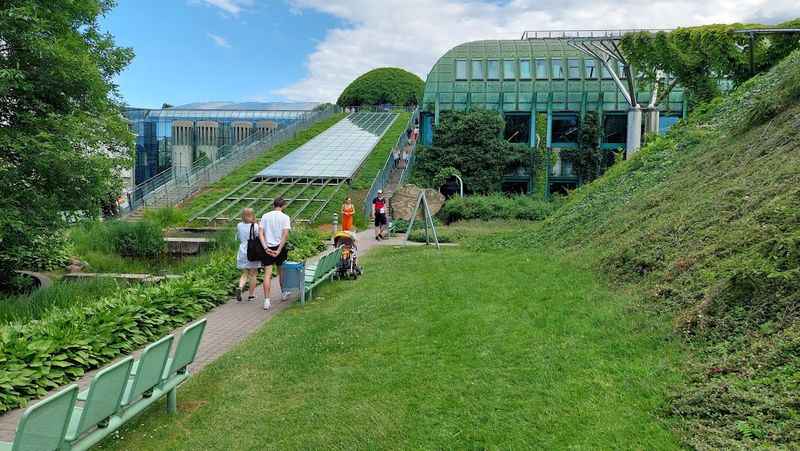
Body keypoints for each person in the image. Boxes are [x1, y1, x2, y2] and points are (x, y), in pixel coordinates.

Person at [259, 197, 291, 310]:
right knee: (281, 271)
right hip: (279, 248)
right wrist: (278, 250)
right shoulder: (285, 217)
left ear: (273, 205)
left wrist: (266, 247)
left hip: (267, 247)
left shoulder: (265, 216)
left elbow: (260, 233)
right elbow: (285, 235)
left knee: (267, 274)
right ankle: (283, 293)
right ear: (283, 206)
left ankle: (267, 300)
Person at [235, 208, 261, 302]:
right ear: (252, 215)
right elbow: (259, 237)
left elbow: (238, 237)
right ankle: (251, 295)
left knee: (245, 273)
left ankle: (240, 287)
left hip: (242, 250)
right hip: (252, 251)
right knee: (253, 274)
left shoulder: (239, 225)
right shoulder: (255, 226)